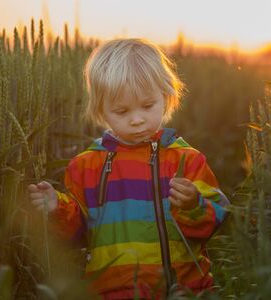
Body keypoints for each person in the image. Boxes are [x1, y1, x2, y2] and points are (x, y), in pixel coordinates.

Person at [27, 38, 229, 299]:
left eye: (147, 106)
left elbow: (215, 221)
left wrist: (193, 205)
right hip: (111, 293)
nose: (137, 119)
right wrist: (56, 208)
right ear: (101, 111)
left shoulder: (186, 160)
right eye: (122, 111)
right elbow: (77, 236)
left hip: (184, 290)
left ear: (166, 97)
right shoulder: (86, 166)